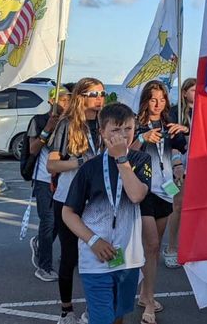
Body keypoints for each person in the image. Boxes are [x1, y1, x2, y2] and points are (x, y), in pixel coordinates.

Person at [62, 102, 151, 324]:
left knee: (118, 316)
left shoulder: (141, 160)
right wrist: (93, 240)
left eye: (128, 129)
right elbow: (68, 212)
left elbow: (136, 195)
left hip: (128, 258)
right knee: (102, 318)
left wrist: (122, 160)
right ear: (102, 132)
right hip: (95, 258)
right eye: (115, 130)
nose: (122, 136)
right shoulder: (89, 168)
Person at [47, 77, 106, 324]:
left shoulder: (105, 122)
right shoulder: (67, 124)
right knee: (70, 256)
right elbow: (52, 165)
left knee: (96, 255)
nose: (99, 99)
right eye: (94, 94)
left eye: (102, 93)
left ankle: (94, 307)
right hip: (69, 198)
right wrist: (81, 162)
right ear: (81, 97)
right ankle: (66, 310)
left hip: (98, 199)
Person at [130, 81, 187, 324]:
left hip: (166, 189)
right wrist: (142, 137)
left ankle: (145, 293)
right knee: (152, 244)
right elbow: (125, 152)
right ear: (146, 100)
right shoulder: (135, 124)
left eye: (162, 99)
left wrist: (185, 130)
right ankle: (150, 301)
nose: (158, 104)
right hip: (143, 190)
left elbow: (178, 149)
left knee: (152, 248)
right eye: (153, 99)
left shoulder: (168, 123)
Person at [26, 86, 71, 282]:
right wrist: (47, 130)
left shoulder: (71, 122)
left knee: (62, 221)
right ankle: (44, 266)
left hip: (64, 178)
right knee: (48, 221)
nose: (66, 104)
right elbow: (33, 149)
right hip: (44, 179)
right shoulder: (39, 120)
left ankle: (41, 243)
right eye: (62, 100)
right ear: (51, 102)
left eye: (69, 100)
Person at [163, 77, 196, 269]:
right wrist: (177, 164)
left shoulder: (202, 111)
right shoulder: (175, 112)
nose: (196, 94)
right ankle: (171, 247)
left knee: (195, 206)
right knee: (178, 205)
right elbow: (173, 142)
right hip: (179, 163)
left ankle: (189, 246)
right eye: (193, 90)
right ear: (184, 93)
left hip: (199, 162)